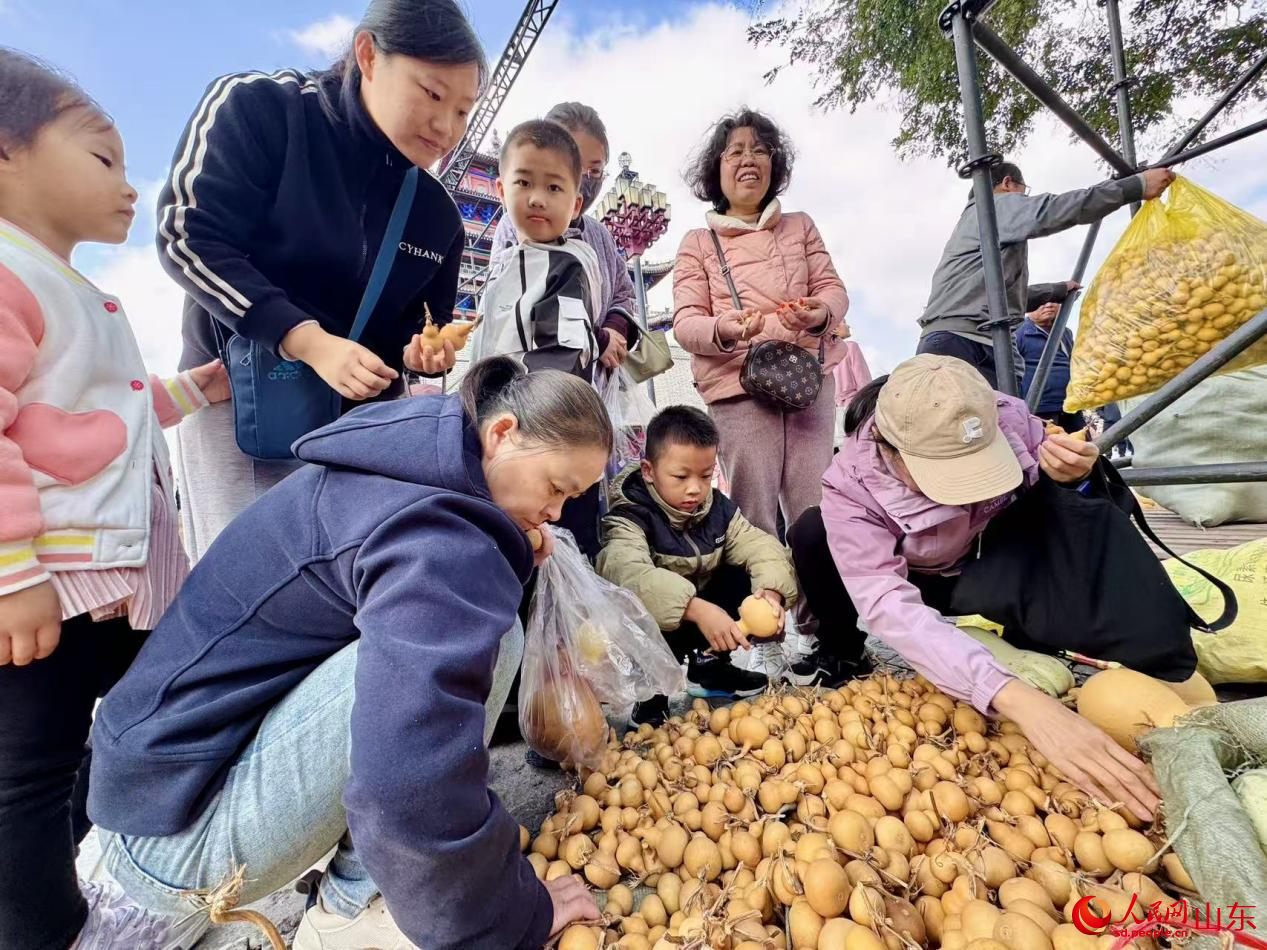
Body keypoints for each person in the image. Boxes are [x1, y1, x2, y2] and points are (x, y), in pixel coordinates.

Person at [87, 358, 609, 949]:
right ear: (502, 433)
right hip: (178, 834)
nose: (557, 513)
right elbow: (409, 779)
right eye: (556, 488)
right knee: (482, 642)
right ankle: (354, 907)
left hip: (150, 794)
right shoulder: (440, 538)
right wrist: (508, 916)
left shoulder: (414, 456)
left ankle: (366, 889)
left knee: (476, 635)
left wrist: (502, 555)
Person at [0, 50, 229, 949]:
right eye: (101, 157)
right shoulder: (9, 275)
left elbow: (110, 412)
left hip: (109, 584)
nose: (127, 185)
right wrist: (12, 573)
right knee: (26, 771)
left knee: (88, 747)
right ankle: (40, 929)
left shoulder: (72, 289)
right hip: (47, 587)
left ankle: (87, 874)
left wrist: (190, 392)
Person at [788, 355, 1176, 820]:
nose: (967, 491)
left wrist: (1074, 478)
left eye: (977, 465)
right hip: (928, 580)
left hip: (997, 560)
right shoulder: (851, 485)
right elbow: (887, 600)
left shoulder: (1007, 417)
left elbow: (1072, 511)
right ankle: (843, 651)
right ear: (889, 451)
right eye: (945, 473)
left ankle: (1042, 629)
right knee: (811, 532)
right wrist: (1014, 698)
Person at [163, 0, 482, 561]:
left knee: (339, 597)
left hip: (355, 431)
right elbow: (188, 235)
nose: (446, 127)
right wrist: (307, 340)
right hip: (242, 401)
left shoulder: (437, 216)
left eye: (463, 110)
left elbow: (420, 330)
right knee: (240, 578)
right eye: (432, 94)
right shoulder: (260, 108)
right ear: (368, 55)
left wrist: (422, 354)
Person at [596, 406, 797, 723]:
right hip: (660, 628)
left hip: (707, 618)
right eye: (681, 476)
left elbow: (759, 545)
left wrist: (771, 593)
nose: (695, 488)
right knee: (633, 597)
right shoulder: (629, 517)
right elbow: (628, 574)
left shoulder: (718, 509)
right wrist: (696, 609)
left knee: (748, 571)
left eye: (705, 475)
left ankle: (710, 669)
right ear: (649, 470)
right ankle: (652, 693)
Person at [917, 161, 1176, 390]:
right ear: (1008, 184)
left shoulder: (973, 228)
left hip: (950, 342)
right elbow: (1054, 210)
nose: (1023, 200)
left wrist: (1056, 290)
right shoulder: (993, 207)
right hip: (970, 346)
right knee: (990, 437)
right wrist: (1135, 186)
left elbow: (1007, 298)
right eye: (1023, 192)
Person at [474, 118, 609, 557]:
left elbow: (562, 355)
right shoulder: (508, 261)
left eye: (554, 188)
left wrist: (520, 420)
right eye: (524, 182)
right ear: (500, 190)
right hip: (511, 435)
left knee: (560, 546)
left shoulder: (566, 264)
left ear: (576, 204)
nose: (537, 198)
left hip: (548, 439)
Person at [491, 102, 639, 375]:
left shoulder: (599, 234)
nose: (586, 178)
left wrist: (616, 327)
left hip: (595, 383)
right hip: (532, 381)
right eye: (577, 165)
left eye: (595, 171)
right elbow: (516, 308)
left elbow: (624, 294)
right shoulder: (516, 225)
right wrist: (597, 339)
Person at [1016, 299, 1085, 432]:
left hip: (1069, 404)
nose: (1048, 305)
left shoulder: (1065, 332)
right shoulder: (1019, 333)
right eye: (1041, 301)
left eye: (1054, 301)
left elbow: (1072, 361)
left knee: (1080, 444)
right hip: (1040, 407)